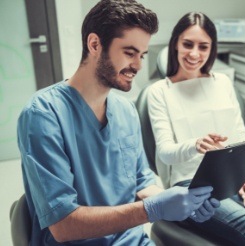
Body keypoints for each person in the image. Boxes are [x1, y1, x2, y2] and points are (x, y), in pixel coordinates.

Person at [17, 2, 220, 245]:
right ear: (94, 44)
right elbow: (63, 225)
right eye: (129, 52)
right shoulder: (44, 114)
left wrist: (184, 202)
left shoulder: (125, 110)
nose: (138, 65)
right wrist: (151, 210)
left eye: (142, 55)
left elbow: (142, 183)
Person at [148, 12, 245, 245]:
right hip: (191, 184)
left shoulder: (222, 82)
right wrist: (195, 144)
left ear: (212, 49)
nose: (194, 54)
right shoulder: (159, 92)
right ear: (175, 45)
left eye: (203, 47)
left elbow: (240, 135)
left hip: (234, 176)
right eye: (187, 44)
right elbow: (165, 152)